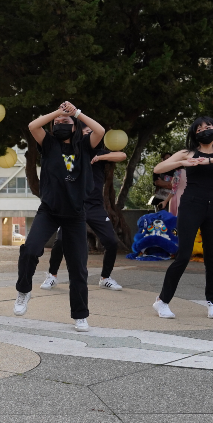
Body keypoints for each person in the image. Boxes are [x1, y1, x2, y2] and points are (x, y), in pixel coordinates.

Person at [11, 102, 106, 332]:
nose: (61, 124)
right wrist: (59, 113)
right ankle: (24, 291)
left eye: (66, 122)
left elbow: (100, 131)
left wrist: (77, 113)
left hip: (75, 215)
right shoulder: (49, 144)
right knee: (31, 249)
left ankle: (80, 315)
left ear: (75, 127)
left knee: (78, 268)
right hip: (49, 211)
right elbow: (33, 125)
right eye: (57, 123)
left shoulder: (85, 146)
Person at [151, 118, 213, 319]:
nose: (204, 131)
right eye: (199, 129)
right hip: (190, 205)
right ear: (195, 134)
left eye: (208, 127)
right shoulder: (188, 152)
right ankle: (162, 301)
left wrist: (210, 160)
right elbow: (158, 169)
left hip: (212, 207)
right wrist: (182, 163)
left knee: (212, 257)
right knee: (184, 255)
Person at [41, 124, 127, 292]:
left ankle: (105, 277)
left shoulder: (99, 153)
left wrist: (100, 159)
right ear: (80, 135)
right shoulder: (72, 152)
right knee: (60, 242)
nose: (91, 135)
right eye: (87, 132)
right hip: (73, 206)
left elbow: (122, 155)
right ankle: (52, 275)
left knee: (111, 241)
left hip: (94, 206)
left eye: (93, 134)